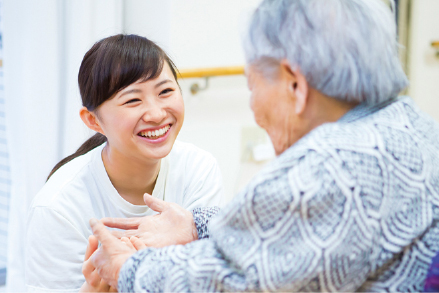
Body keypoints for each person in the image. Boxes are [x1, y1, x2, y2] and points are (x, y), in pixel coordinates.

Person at [85, 0, 439, 291]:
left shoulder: (329, 167)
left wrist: (127, 268)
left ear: (295, 86)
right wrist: (196, 225)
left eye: (253, 85)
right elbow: (290, 232)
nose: (254, 110)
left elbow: (233, 280)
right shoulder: (411, 124)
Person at [24, 34, 223, 292]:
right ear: (93, 121)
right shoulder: (57, 208)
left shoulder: (198, 169)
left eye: (165, 91)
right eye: (132, 100)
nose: (156, 114)